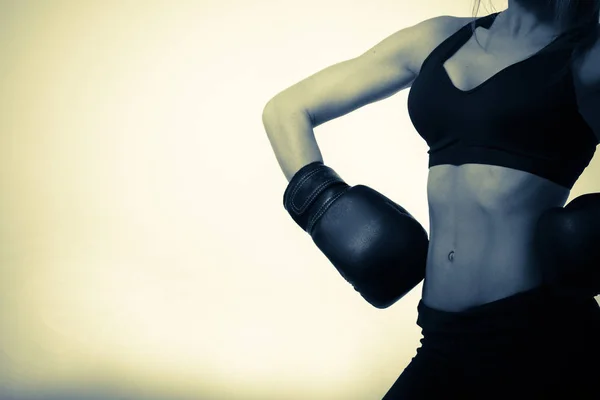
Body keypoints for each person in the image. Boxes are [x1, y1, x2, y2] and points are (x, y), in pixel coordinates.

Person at [262, 0, 600, 398]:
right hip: (442, 338)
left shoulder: (588, 56)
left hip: (544, 337)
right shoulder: (439, 39)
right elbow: (286, 110)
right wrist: (323, 203)